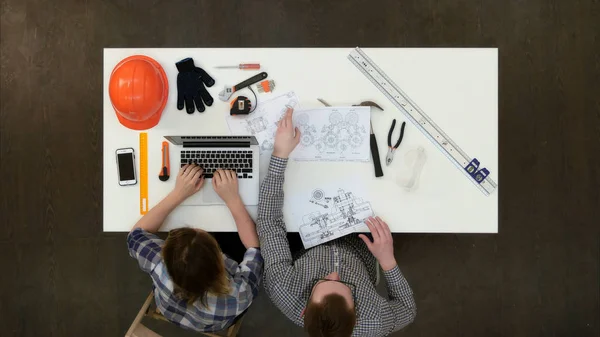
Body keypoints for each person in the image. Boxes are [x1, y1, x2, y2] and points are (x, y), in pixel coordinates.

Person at [257, 108, 417, 337]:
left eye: (321, 282)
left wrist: (280, 154)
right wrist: (388, 261)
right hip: (364, 247)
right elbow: (407, 309)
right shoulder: (373, 321)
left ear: (305, 309)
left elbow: (269, 222)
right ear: (356, 312)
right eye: (345, 286)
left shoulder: (284, 288)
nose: (334, 273)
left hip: (310, 240)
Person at [127, 166, 262, 333]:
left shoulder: (157, 263)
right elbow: (255, 250)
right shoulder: (238, 295)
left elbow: (135, 236)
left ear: (165, 255)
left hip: (172, 311)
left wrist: (178, 193)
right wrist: (232, 199)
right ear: (220, 260)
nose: (200, 229)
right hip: (219, 320)